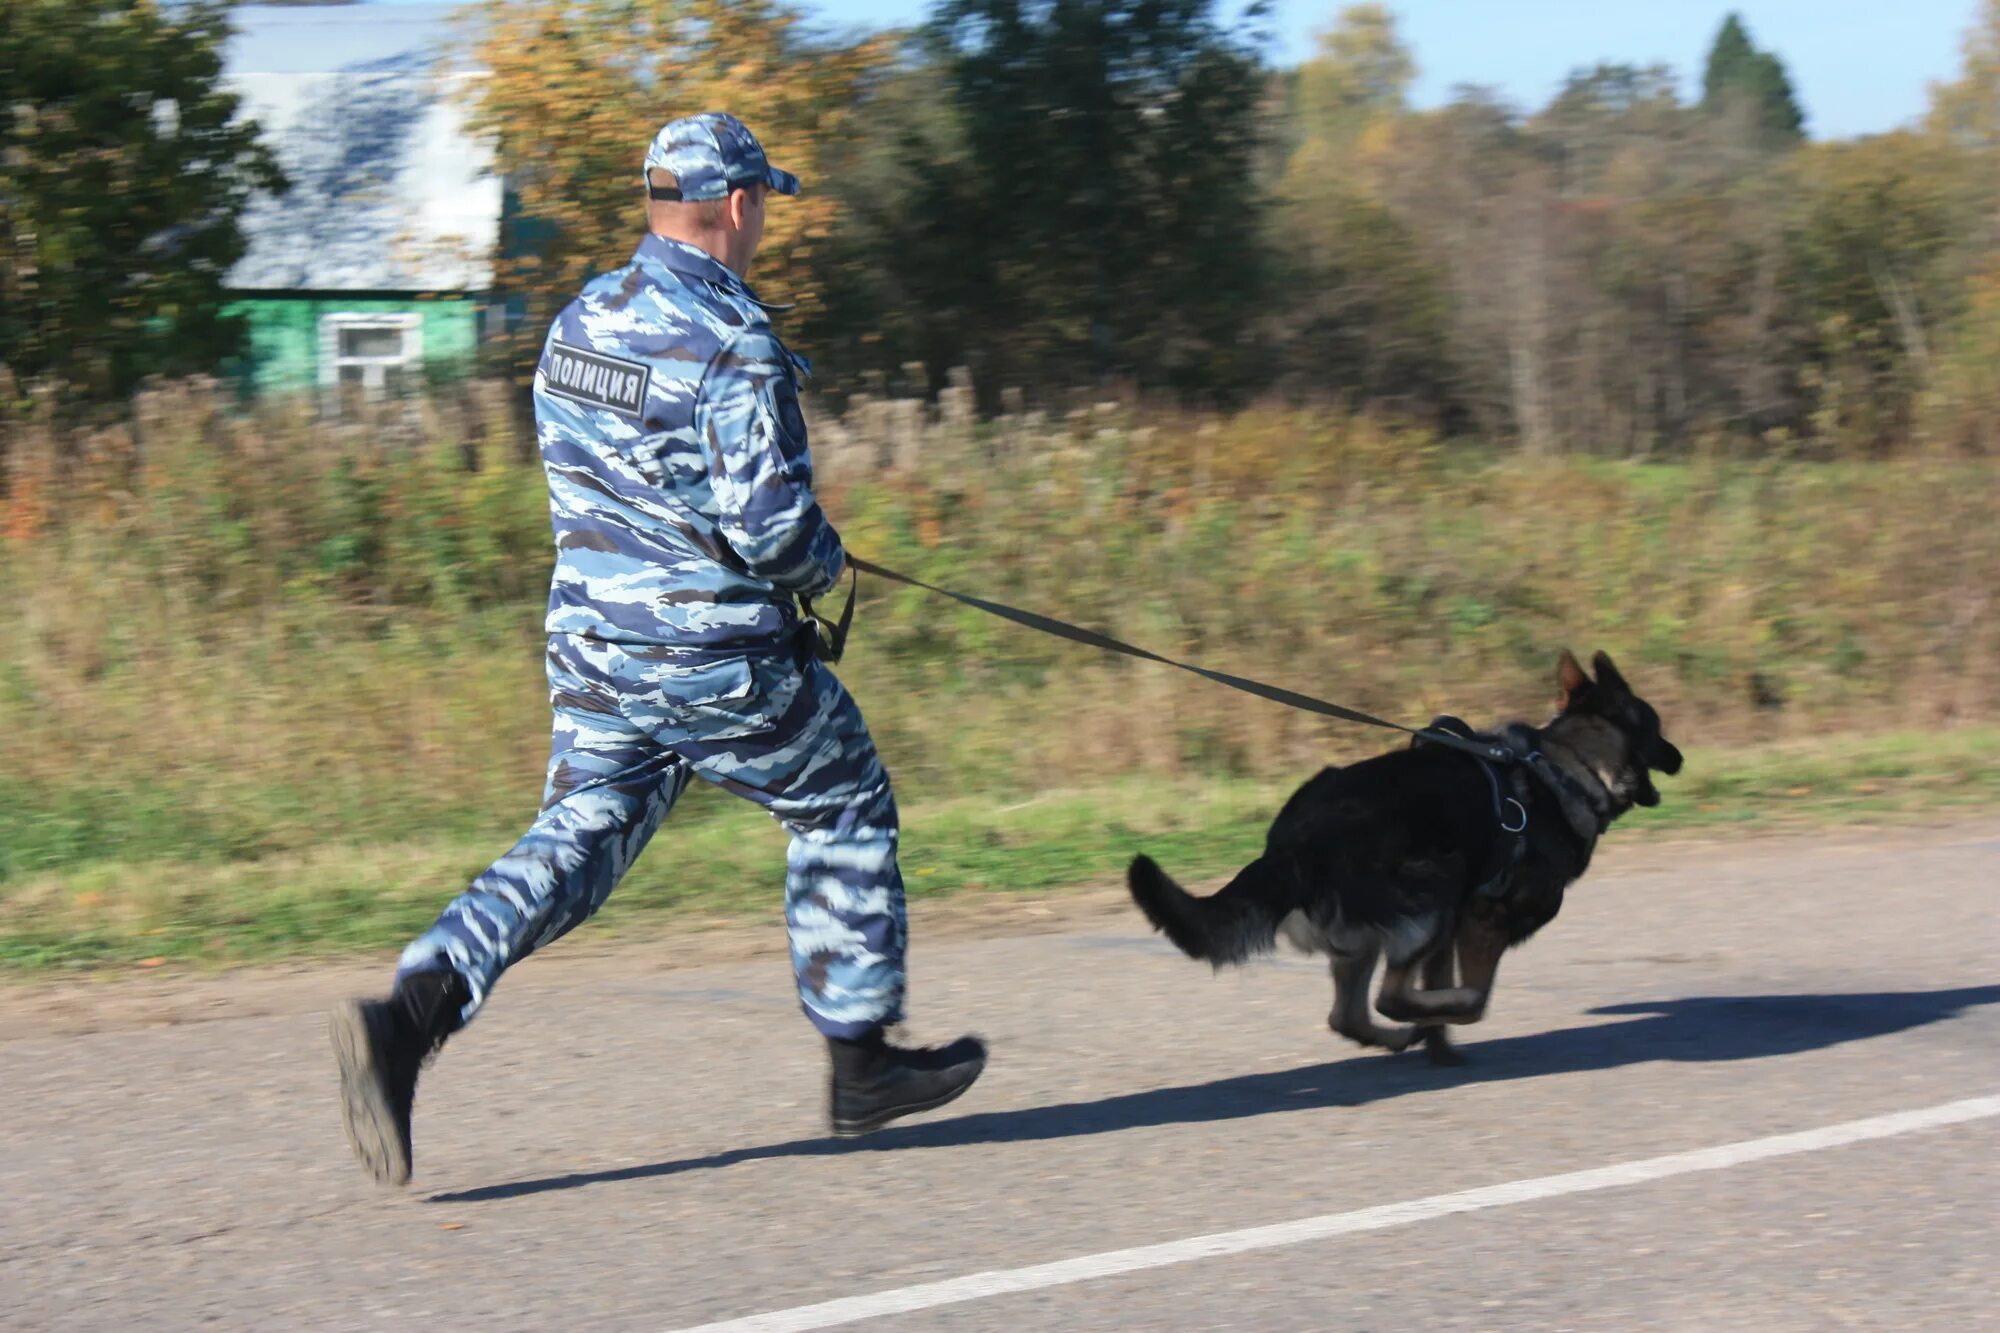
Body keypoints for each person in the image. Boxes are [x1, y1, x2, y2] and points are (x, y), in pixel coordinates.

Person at [330, 112, 986, 1187]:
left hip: (595, 645)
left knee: (579, 835)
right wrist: (828, 564)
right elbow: (771, 529)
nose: (763, 223)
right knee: (844, 799)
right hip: (710, 657)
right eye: (762, 205)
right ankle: (862, 1060)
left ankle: (406, 1018)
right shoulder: (733, 341)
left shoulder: (580, 319)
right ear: (738, 204)